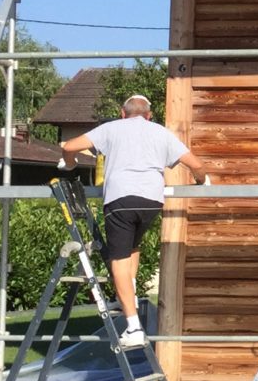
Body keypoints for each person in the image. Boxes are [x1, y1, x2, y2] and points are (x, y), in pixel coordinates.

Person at [60, 96, 208, 348]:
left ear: (122, 113)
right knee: (131, 247)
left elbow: (69, 145)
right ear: (149, 115)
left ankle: (133, 326)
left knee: (118, 259)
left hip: (121, 199)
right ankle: (126, 297)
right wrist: (201, 181)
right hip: (150, 201)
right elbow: (196, 164)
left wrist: (70, 164)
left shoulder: (111, 128)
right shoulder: (160, 132)